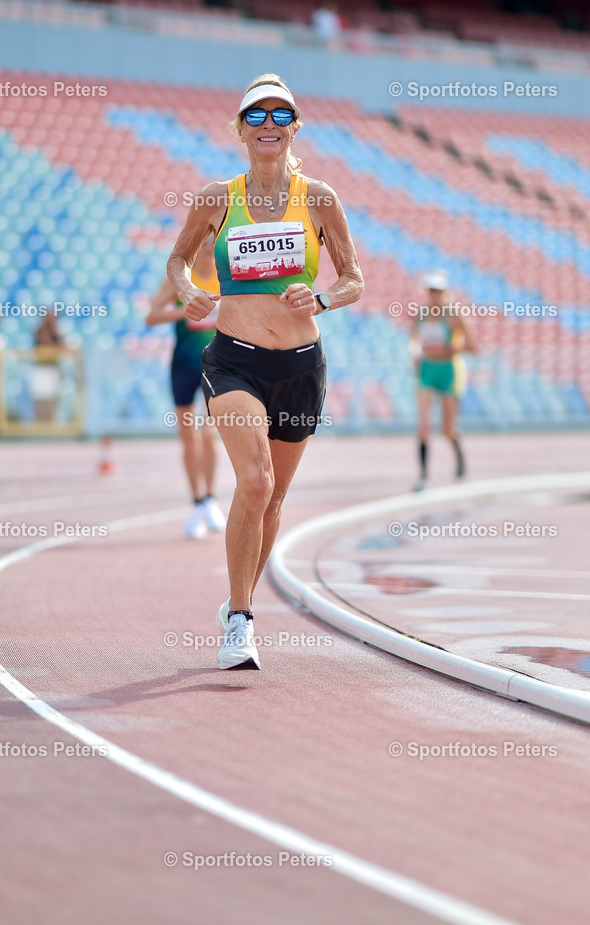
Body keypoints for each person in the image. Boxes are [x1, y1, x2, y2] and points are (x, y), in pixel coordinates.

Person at [167, 73, 364, 670]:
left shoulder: (320, 198)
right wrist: (190, 291)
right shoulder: (215, 198)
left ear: (295, 127)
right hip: (234, 361)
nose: (269, 126)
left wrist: (324, 299)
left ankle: (236, 603)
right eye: (257, 116)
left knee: (274, 496)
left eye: (281, 116)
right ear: (240, 130)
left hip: (302, 367)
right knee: (253, 483)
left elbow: (354, 278)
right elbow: (178, 259)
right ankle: (243, 622)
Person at [145, 237, 226, 539]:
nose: (208, 251)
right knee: (188, 439)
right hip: (182, 365)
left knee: (208, 434)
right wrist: (185, 308)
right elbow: (151, 316)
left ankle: (212, 498)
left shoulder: (225, 277)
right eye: (203, 246)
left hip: (215, 365)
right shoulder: (182, 280)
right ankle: (197, 503)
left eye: (212, 246)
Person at [409, 270, 476, 490]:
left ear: (445, 293)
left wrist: (449, 348)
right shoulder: (420, 314)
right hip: (428, 371)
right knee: (424, 426)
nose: (434, 296)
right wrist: (416, 354)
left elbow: (473, 346)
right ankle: (423, 475)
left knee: (447, 429)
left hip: (449, 371)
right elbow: (414, 341)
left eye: (438, 292)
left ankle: (459, 456)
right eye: (431, 292)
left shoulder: (454, 315)